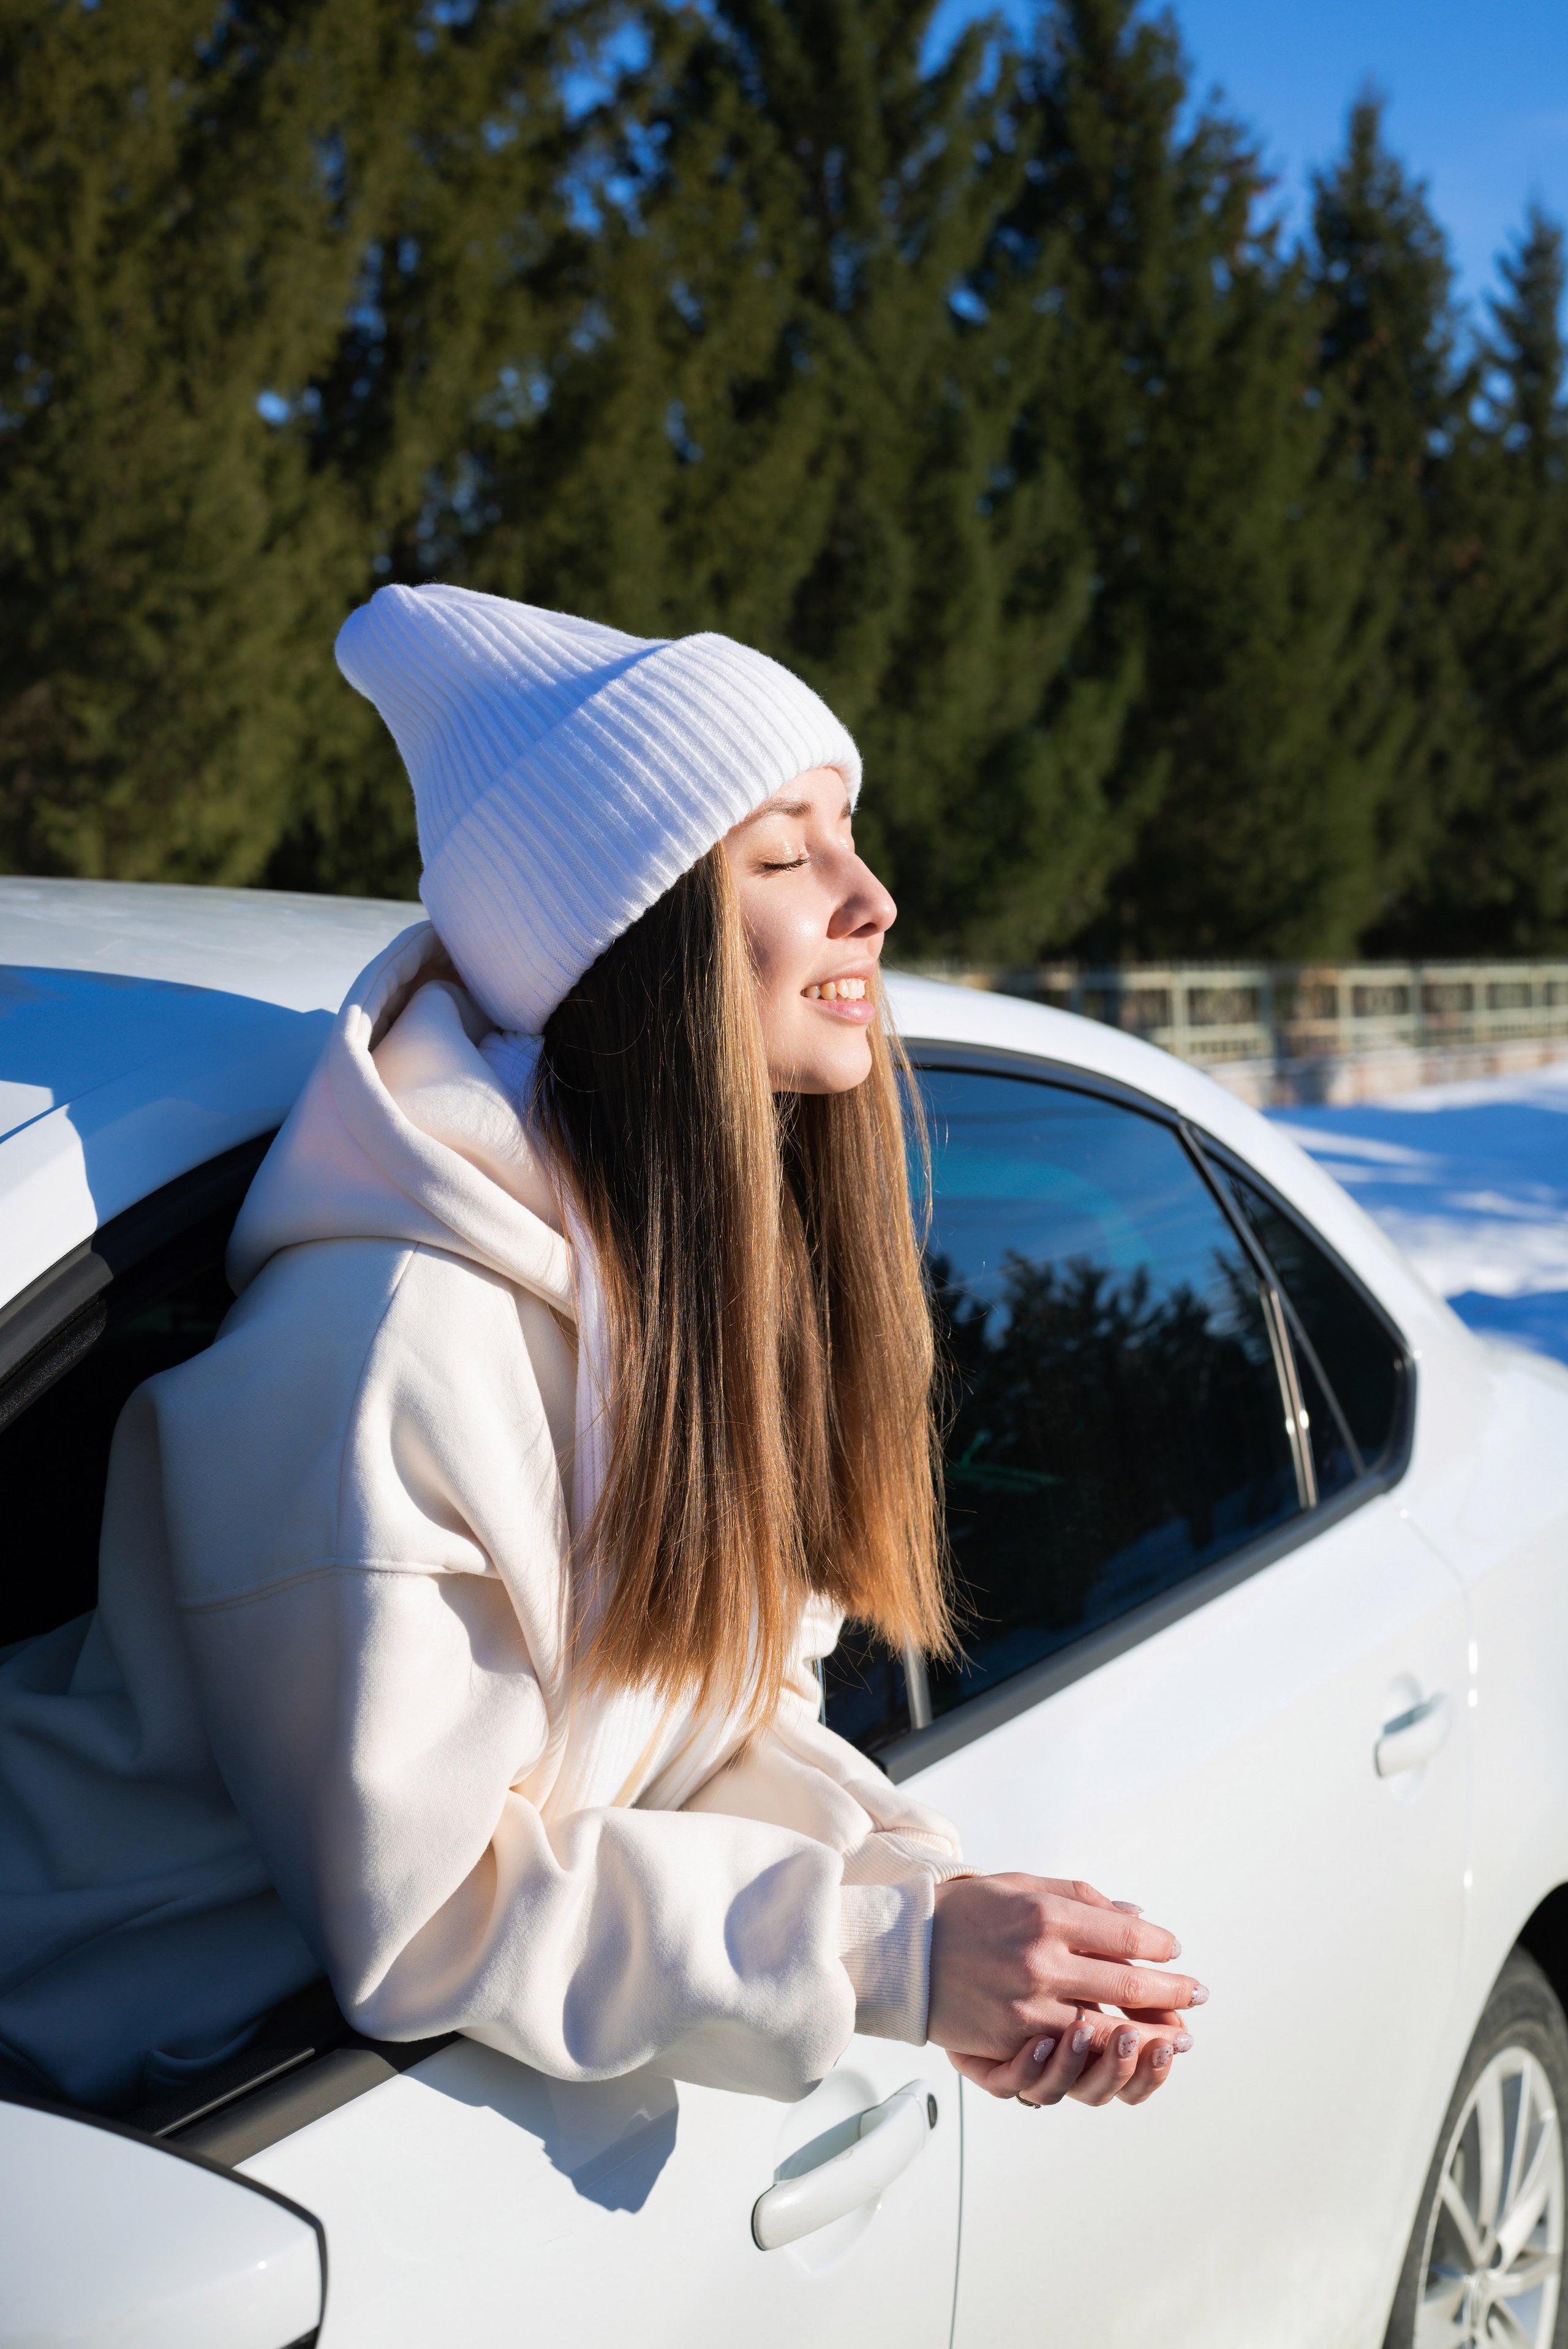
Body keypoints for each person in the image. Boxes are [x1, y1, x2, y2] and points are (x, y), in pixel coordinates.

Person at [0, 586, 1204, 2116]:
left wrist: (932, 1914)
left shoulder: (703, 1294)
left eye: (845, 832)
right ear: (633, 949)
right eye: (785, 855)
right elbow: (430, 1911)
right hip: (80, 2069)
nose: (872, 895)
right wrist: (884, 1954)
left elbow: (716, 1717)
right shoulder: (387, 1357)